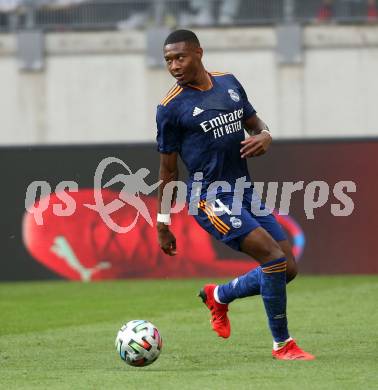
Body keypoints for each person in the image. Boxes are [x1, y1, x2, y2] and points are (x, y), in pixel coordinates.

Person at [155, 29, 315, 360]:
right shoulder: (170, 108)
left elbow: (256, 125)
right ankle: (282, 345)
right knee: (272, 258)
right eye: (168, 60)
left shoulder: (228, 82)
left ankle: (220, 295)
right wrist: (162, 221)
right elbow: (168, 170)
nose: (174, 66)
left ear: (199, 53)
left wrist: (266, 136)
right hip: (208, 198)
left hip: (244, 190)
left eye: (180, 57)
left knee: (287, 269)